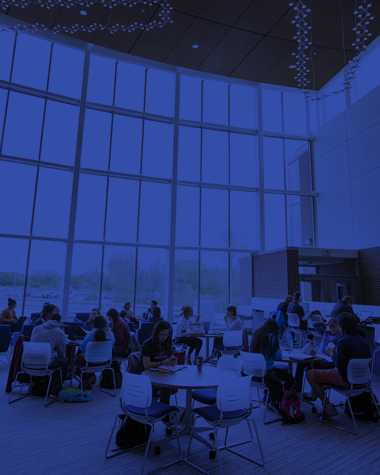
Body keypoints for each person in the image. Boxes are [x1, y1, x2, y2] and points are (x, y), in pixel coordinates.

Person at [306, 312, 371, 418]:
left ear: (342, 327)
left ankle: (328, 406)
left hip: (347, 381)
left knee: (309, 374)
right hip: (363, 383)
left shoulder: (343, 341)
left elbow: (340, 367)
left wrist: (332, 354)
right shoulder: (364, 341)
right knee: (325, 377)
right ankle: (314, 394)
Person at [250, 318, 294, 415]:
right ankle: (278, 401)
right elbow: (277, 356)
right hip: (267, 372)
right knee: (290, 378)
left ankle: (267, 397)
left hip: (255, 373)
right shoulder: (271, 337)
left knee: (281, 374)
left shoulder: (256, 334)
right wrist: (280, 352)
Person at [294, 317, 343, 393]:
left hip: (327, 359)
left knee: (314, 365)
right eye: (330, 326)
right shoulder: (326, 333)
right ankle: (297, 390)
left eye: (334, 326)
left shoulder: (340, 335)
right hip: (317, 356)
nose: (332, 329)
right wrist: (326, 323)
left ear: (338, 326)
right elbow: (314, 324)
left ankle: (314, 391)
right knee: (300, 363)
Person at [141, 320, 177, 410]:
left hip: (163, 374)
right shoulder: (148, 344)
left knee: (171, 385)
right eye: (162, 334)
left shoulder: (166, 343)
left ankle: (165, 409)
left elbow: (171, 356)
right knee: (167, 386)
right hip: (151, 377)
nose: (164, 337)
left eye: (167, 334)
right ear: (156, 333)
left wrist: (173, 360)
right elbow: (146, 365)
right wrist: (162, 363)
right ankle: (166, 416)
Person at [31, 313, 69, 397]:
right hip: (45, 362)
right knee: (64, 360)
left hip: (29, 361)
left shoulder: (36, 328)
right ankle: (54, 391)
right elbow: (61, 352)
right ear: (60, 321)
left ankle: (36, 384)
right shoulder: (59, 332)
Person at [75, 315, 115, 389]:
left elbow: (82, 348)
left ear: (94, 324)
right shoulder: (111, 334)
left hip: (89, 362)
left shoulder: (91, 334)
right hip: (105, 361)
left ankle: (86, 380)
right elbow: (111, 348)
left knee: (77, 359)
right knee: (87, 357)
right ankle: (88, 381)